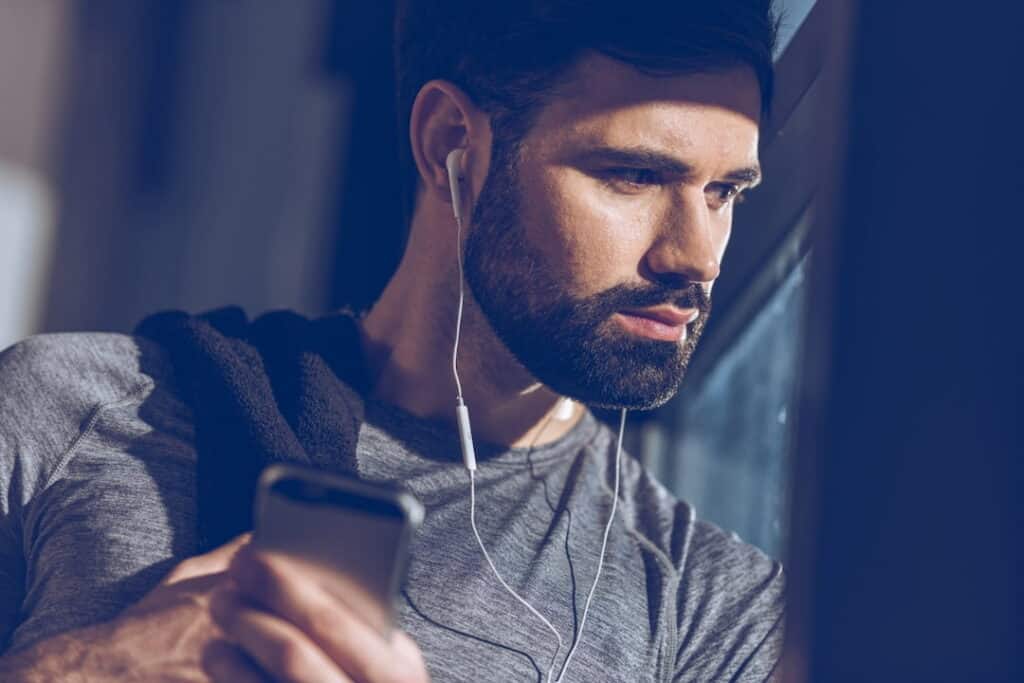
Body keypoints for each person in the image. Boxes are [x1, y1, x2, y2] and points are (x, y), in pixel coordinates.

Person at [0, 1, 783, 681]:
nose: (697, 255)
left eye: (724, 192)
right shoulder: (67, 411)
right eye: (635, 175)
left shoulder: (713, 616)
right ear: (452, 145)